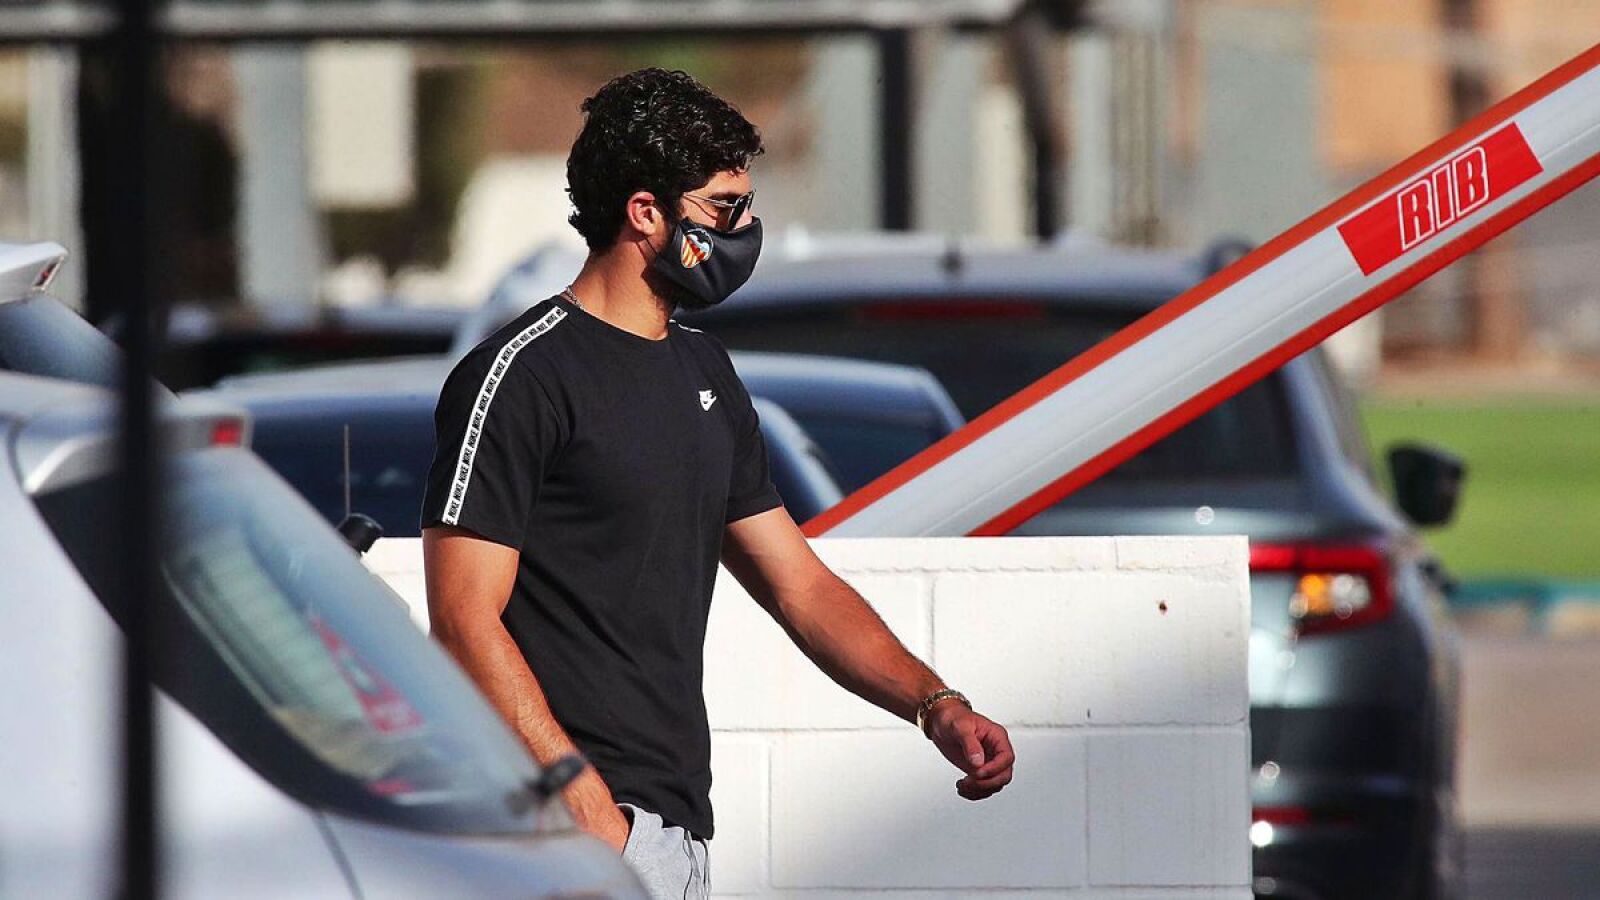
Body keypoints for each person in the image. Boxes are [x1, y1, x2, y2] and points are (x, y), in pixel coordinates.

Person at [419, 68, 1015, 899]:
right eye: (724, 208)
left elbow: (800, 585)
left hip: (670, 832)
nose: (744, 230)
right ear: (644, 212)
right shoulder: (523, 376)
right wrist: (588, 815)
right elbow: (462, 619)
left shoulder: (704, 371)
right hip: (560, 841)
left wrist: (936, 705)